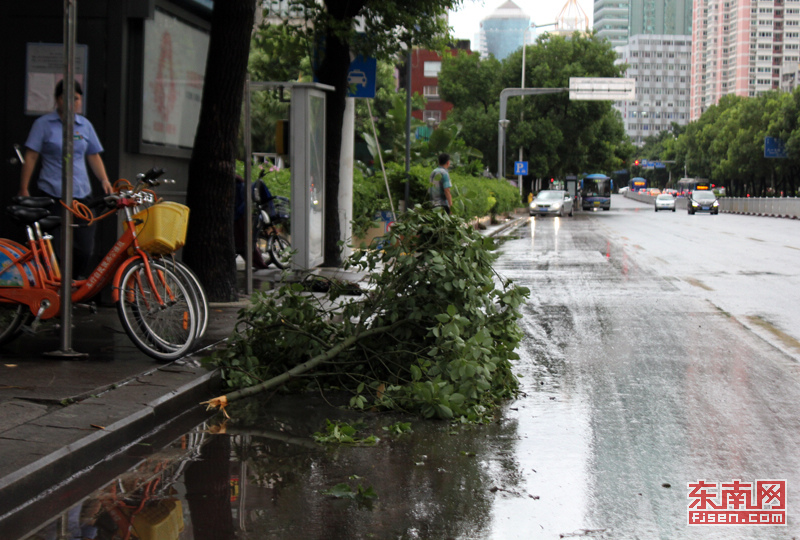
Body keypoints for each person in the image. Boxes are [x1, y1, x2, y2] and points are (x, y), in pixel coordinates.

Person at [19, 79, 113, 277]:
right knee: (51, 244)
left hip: (81, 193)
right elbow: (31, 155)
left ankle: (73, 282)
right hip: (52, 193)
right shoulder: (43, 124)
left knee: (85, 246)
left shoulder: (85, 125)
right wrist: (24, 187)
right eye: (66, 98)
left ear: (81, 101)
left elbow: (93, 155)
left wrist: (104, 179)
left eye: (76, 98)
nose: (72, 102)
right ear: (57, 100)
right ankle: (54, 286)